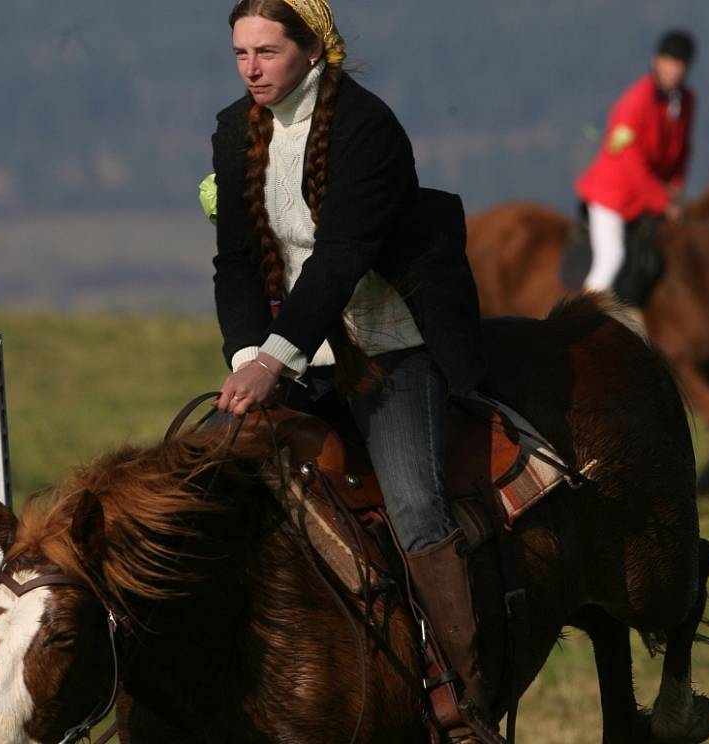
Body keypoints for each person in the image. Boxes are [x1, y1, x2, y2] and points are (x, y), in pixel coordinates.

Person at [210, 1, 495, 739]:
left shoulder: (368, 128)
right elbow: (235, 263)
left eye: (267, 52)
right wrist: (247, 355)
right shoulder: (231, 128)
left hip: (387, 347)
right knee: (207, 483)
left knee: (414, 509)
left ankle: (463, 698)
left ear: (312, 49)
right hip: (289, 353)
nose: (251, 69)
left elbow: (340, 259)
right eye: (240, 53)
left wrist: (273, 361)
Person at [576, 29, 696, 297]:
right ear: (657, 62)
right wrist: (663, 202)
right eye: (670, 61)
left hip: (648, 198)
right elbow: (628, 161)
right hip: (613, 196)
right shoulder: (634, 102)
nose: (675, 69)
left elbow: (683, 149)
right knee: (612, 257)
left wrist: (675, 188)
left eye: (681, 64)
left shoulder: (687, 101)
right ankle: (582, 317)